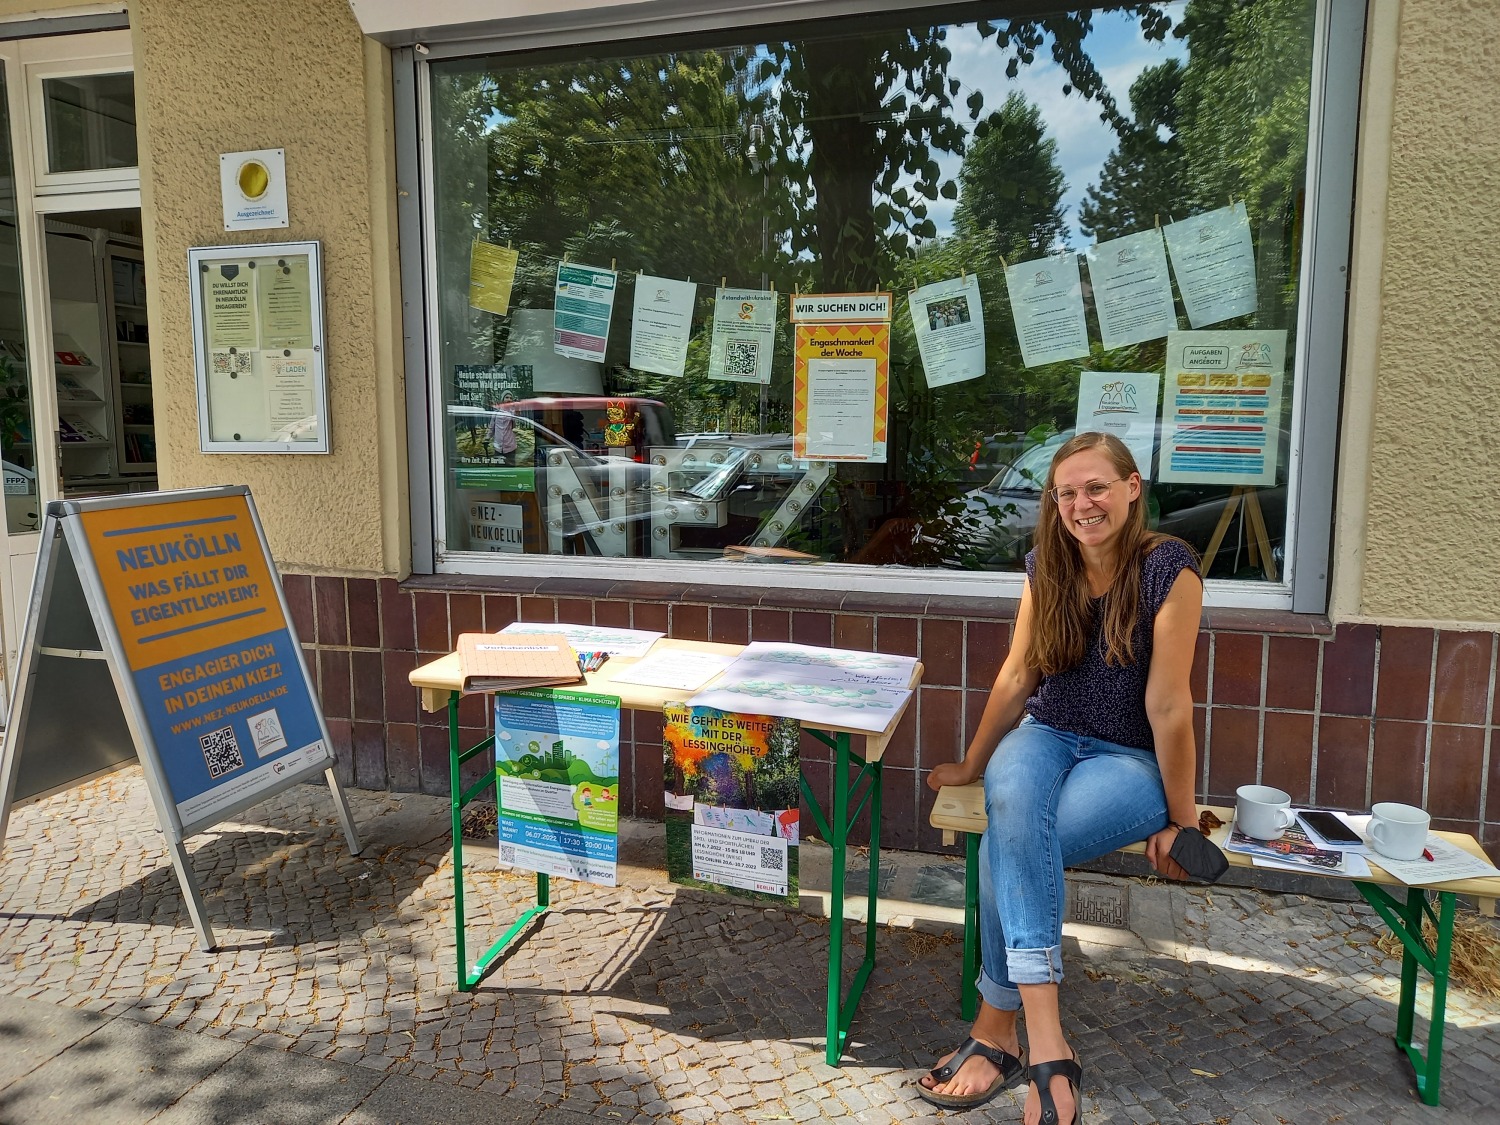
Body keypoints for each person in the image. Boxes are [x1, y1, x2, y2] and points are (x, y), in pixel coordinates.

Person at [918, 431, 1203, 1122]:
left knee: (1006, 847)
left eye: (1097, 487)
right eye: (1068, 491)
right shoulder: (1048, 563)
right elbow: (1020, 674)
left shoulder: (1171, 569)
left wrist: (1184, 820)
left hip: (1129, 759)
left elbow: (1167, 703)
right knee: (1010, 807)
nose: (1083, 503)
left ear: (1133, 488)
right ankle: (1044, 1037)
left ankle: (1000, 1031)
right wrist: (972, 763)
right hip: (1045, 736)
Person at [488, 390, 519, 465]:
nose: (509, 399)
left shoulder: (513, 412)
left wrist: (515, 411)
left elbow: (515, 425)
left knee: (510, 470)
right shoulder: (496, 412)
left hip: (510, 446)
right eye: (507, 397)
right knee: (499, 470)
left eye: (510, 398)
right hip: (498, 447)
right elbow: (491, 427)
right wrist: (487, 438)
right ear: (502, 399)